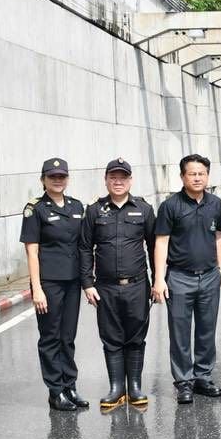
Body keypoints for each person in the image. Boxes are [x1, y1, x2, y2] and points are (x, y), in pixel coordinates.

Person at [79, 158, 156, 410]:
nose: (118, 181)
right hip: (106, 287)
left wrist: (158, 281)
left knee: (135, 336)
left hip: (137, 285)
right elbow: (84, 248)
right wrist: (88, 283)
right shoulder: (94, 211)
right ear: (106, 180)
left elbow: (155, 246)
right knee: (111, 337)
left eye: (123, 177)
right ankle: (116, 388)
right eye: (113, 177)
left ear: (130, 180)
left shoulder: (143, 209)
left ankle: (134, 387)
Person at [152, 154, 221, 405]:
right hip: (179, 278)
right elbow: (161, 242)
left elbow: (218, 236)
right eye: (192, 173)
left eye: (201, 173)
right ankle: (184, 381)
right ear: (182, 176)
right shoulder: (170, 206)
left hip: (208, 277)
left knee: (207, 329)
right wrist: (160, 279)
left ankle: (203, 376)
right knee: (180, 332)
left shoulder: (215, 203)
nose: (197, 177)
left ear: (207, 176)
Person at [21, 157, 87, 411]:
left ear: (67, 179)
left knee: (68, 336)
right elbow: (32, 252)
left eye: (61, 177)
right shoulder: (35, 209)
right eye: (52, 177)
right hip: (48, 283)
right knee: (50, 336)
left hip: (72, 282)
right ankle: (55, 390)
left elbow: (82, 246)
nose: (57, 181)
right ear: (43, 180)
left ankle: (70, 385)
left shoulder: (76, 206)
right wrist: (36, 288)